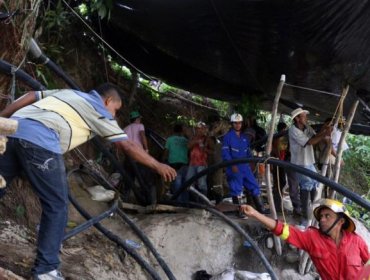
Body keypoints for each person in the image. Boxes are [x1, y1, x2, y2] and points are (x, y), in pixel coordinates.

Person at [0, 83, 176, 280]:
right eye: (115, 110)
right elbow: (126, 144)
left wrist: (2, 119)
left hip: (11, 131)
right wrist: (158, 165)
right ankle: (45, 271)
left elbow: (32, 94)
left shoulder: (68, 92)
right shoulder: (99, 110)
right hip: (41, 141)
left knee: (0, 184)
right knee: (57, 206)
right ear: (108, 101)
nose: (114, 115)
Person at [241, 199, 369, 280]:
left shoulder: (356, 241)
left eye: (327, 216)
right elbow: (284, 230)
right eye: (321, 216)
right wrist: (256, 214)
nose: (322, 219)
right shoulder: (312, 238)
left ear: (341, 221)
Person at [289, 108, 332, 224]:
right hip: (300, 163)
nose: (306, 118)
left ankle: (314, 213)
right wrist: (324, 134)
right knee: (306, 187)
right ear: (297, 119)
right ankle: (305, 217)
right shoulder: (293, 130)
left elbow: (315, 136)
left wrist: (324, 129)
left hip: (309, 161)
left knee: (314, 185)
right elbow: (310, 142)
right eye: (304, 116)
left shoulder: (307, 127)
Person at [221, 113, 269, 214]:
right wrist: (232, 165)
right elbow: (225, 153)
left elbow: (248, 153)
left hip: (245, 167)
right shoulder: (227, 137)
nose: (238, 125)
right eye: (235, 123)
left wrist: (251, 162)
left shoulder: (244, 138)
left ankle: (261, 209)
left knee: (254, 185)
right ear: (232, 124)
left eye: (239, 123)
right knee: (236, 189)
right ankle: (239, 211)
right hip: (234, 166)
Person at [162, 123, 189, 202]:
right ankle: (186, 203)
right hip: (185, 164)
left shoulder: (170, 139)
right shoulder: (185, 140)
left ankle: (178, 203)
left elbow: (166, 151)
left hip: (174, 164)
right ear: (181, 131)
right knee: (185, 185)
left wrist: (163, 160)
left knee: (176, 185)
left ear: (173, 130)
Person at [186, 121, 213, 198]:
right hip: (192, 164)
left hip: (202, 164)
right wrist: (196, 142)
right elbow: (188, 147)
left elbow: (213, 151)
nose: (201, 130)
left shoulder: (207, 139)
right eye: (199, 129)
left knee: (202, 184)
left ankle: (204, 203)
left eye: (202, 129)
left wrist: (205, 149)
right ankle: (193, 202)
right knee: (189, 182)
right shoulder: (192, 138)